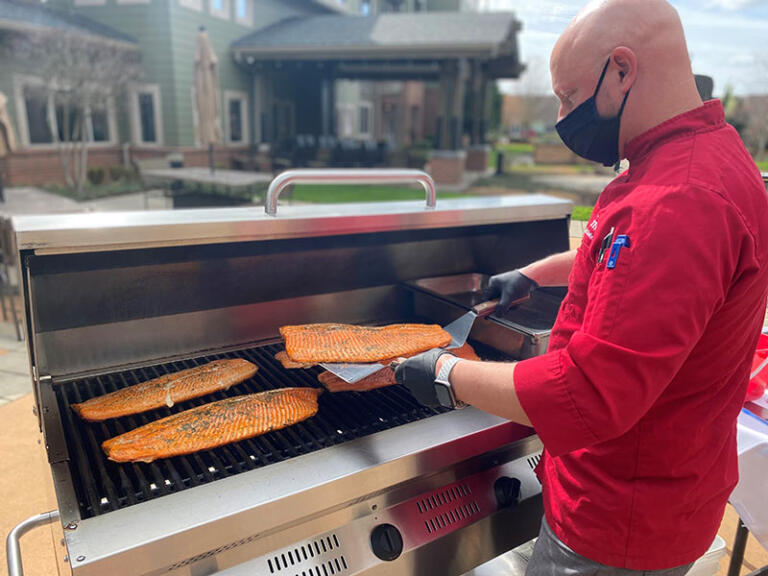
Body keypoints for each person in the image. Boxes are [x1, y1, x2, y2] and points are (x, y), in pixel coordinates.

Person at [394, 0, 768, 574]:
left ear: (622, 69)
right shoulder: (703, 157)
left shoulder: (680, 199)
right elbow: (622, 252)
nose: (563, 115)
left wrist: (444, 373)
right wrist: (532, 274)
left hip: (620, 520)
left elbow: (587, 394)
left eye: (568, 97)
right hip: (661, 487)